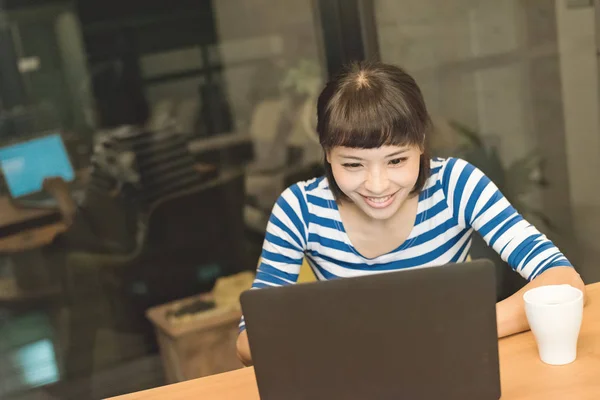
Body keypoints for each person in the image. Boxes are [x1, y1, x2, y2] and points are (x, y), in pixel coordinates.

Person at [236, 61, 585, 366]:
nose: (377, 185)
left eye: (397, 160)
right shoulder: (299, 209)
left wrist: (453, 332)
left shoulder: (455, 185)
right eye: (353, 164)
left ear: (420, 142)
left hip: (453, 364)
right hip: (356, 380)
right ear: (327, 153)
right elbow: (248, 342)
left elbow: (563, 280)